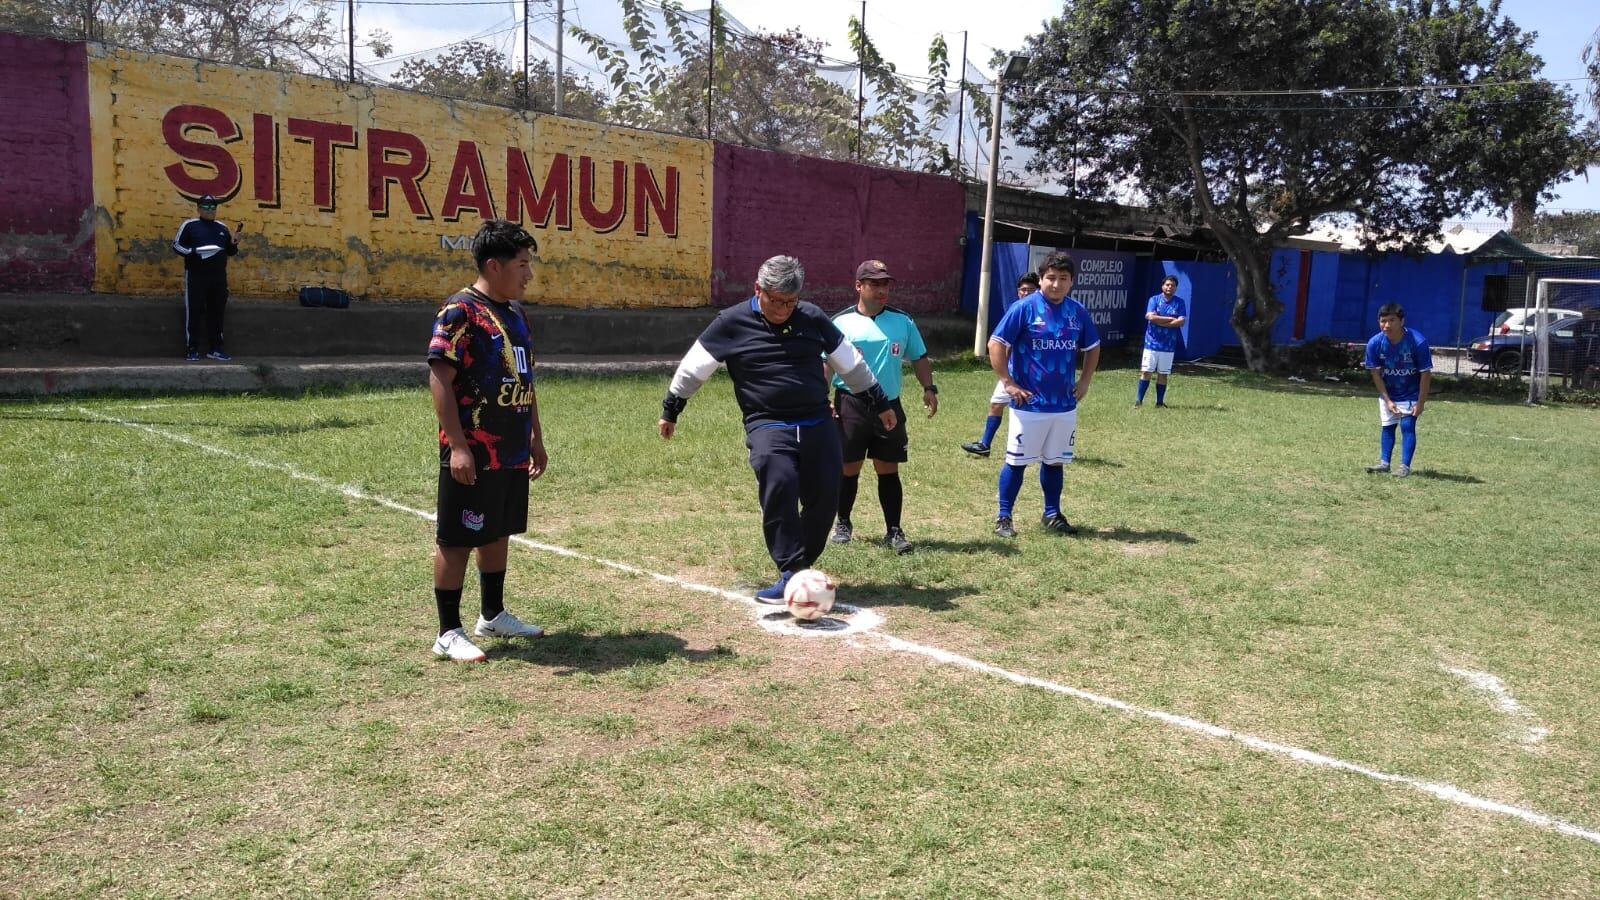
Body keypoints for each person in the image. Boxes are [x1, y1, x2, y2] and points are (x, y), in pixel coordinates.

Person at [658, 255, 896, 603]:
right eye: (776, 300)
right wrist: (672, 408)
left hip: (817, 420)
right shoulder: (732, 322)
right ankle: (791, 570)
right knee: (780, 482)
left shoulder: (812, 317)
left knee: (825, 497)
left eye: (791, 301)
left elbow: (851, 364)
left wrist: (880, 403)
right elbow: (696, 368)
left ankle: (799, 567)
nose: (784, 308)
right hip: (767, 422)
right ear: (758, 290)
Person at [425, 219, 549, 662]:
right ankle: (448, 631)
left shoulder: (516, 314)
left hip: (511, 448)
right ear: (494, 266)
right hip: (473, 450)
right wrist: (457, 445)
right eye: (522, 264)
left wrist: (535, 436)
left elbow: (525, 378)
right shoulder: (459, 312)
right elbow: (440, 377)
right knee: (457, 538)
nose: (528, 273)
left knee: (498, 531)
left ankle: (492, 614)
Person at [828, 259, 938, 554]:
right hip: (850, 403)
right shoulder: (840, 323)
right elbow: (826, 363)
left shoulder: (903, 321)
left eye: (885, 284)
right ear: (858, 286)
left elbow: (919, 357)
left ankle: (894, 530)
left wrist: (929, 388)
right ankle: (843, 523)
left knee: (888, 468)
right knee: (848, 467)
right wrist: (820, 397)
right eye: (874, 284)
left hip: (889, 404)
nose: (881, 290)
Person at [987, 251, 1100, 537]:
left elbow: (1093, 347)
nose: (1056, 284)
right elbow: (996, 344)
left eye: (1063, 279)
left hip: (1064, 404)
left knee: (1055, 461)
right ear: (1041, 279)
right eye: (1051, 278)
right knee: (1016, 462)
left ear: (1072, 281)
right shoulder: (1024, 308)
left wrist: (1085, 381)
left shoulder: (1077, 312)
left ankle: (1052, 513)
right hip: (1029, 405)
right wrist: (1008, 382)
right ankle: (1004, 517)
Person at [962, 271, 1040, 457]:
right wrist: (1004, 370)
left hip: (1032, 373)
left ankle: (1037, 448)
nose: (1026, 293)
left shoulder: (1040, 311)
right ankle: (985, 444)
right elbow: (1002, 342)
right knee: (996, 404)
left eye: (1030, 290)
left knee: (1032, 412)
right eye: (1023, 290)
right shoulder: (1016, 309)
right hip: (1012, 372)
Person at [1363, 303, 1431, 478]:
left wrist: (1421, 402)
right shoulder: (1374, 343)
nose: (1387, 325)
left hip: (1411, 392)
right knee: (1387, 427)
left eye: (1391, 320)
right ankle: (1384, 463)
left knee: (1408, 425)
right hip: (1389, 393)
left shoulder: (1417, 341)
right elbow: (1376, 374)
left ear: (1402, 321)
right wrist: (1387, 400)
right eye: (1383, 321)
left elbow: (1425, 374)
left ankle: (1404, 466)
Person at [171, 194, 241, 361]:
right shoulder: (190, 225)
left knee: (217, 312)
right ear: (199, 209)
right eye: (206, 207)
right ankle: (192, 348)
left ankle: (216, 348)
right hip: (196, 276)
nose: (210, 211)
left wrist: (235, 243)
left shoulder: (222, 228)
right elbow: (176, 245)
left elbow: (229, 252)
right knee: (194, 310)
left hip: (218, 277)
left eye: (213, 207)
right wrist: (193, 252)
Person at [1135, 275, 1187, 408]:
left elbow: (1181, 321)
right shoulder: (1154, 300)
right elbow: (1149, 316)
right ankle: (1139, 401)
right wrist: (1170, 319)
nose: (1170, 287)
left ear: (1175, 288)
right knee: (1146, 372)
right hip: (1151, 343)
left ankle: (1159, 402)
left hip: (1168, 345)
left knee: (1163, 374)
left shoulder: (1179, 302)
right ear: (1162, 286)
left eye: (1172, 285)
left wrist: (1160, 321)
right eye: (1167, 284)